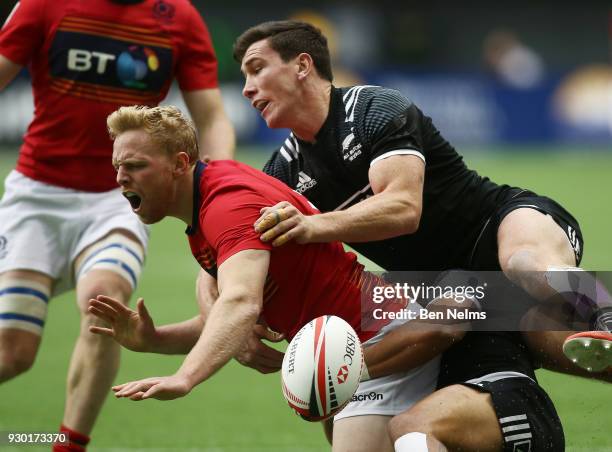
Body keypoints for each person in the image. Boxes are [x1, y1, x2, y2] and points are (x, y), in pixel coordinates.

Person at [91, 104, 567, 452]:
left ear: (179, 163)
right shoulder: (214, 201)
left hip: (401, 313)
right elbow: (232, 311)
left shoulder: (228, 204)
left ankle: (594, 312)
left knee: (532, 281)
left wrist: (186, 377)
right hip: (384, 323)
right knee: (510, 315)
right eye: (117, 167)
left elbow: (240, 305)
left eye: (134, 166)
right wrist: (156, 339)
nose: (121, 178)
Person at [227, 20, 610, 451]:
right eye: (243, 76)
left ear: (302, 65)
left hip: (500, 223)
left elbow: (404, 209)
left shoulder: (373, 108)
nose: (246, 87)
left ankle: (604, 313)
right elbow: (230, 250)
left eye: (256, 69)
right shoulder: (281, 173)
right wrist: (234, 324)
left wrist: (312, 225)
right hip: (443, 290)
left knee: (523, 265)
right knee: (361, 391)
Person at [0, 1, 234, 450]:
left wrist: (218, 183)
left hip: (117, 196)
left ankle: (68, 445)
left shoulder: (179, 18)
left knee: (103, 303)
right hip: (36, 197)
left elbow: (211, 117)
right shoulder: (43, 5)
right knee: (14, 354)